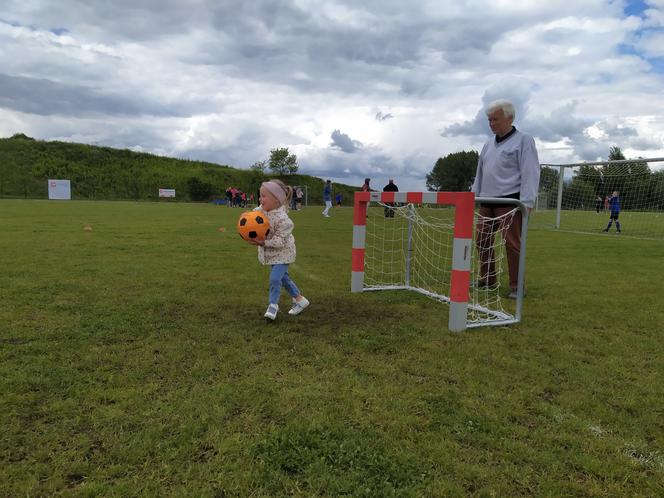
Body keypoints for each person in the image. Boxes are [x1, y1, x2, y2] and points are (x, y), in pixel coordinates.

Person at [471, 99, 541, 300]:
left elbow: (530, 172)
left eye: (495, 119)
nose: (491, 123)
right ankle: (488, 278)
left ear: (509, 118)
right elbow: (480, 173)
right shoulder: (487, 145)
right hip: (487, 201)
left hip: (510, 201)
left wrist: (527, 202)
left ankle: (517, 286)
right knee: (482, 240)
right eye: (489, 120)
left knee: (512, 244)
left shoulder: (524, 141)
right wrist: (474, 197)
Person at [249, 179, 310, 320]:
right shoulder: (262, 210)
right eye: (260, 195)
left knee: (275, 279)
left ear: (276, 199)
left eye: (264, 196)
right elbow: (253, 215)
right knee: (284, 278)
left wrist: (263, 242)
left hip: (284, 253)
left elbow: (279, 241)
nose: (260, 199)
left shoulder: (284, 220)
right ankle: (300, 300)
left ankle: (273, 305)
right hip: (272, 254)